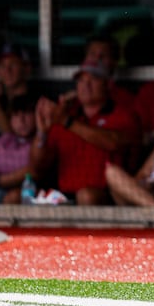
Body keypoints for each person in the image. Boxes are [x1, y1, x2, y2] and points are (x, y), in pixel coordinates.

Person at [30, 60, 141, 205]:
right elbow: (37, 167)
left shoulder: (123, 114)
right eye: (81, 80)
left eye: (93, 79)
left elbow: (113, 142)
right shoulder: (65, 115)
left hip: (109, 197)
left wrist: (67, 122)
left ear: (108, 84)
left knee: (86, 195)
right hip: (65, 196)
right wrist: (42, 133)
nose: (86, 85)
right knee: (23, 196)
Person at [0, 94, 38, 204]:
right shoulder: (4, 141)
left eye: (26, 113)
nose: (21, 120)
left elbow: (33, 171)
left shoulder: (40, 141)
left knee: (12, 197)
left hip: (29, 192)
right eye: (16, 115)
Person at [0, 43, 34, 136]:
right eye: (2, 66)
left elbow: (15, 141)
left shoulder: (37, 102)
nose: (7, 70)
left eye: (13, 64)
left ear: (27, 69)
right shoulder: (0, 100)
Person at [83, 34, 136, 108]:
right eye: (92, 54)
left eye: (104, 55)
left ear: (115, 61)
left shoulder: (126, 100)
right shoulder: (75, 98)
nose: (97, 59)